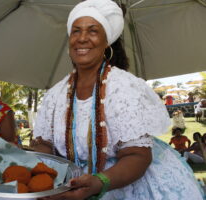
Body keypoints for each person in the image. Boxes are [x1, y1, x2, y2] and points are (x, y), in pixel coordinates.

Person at [31, 0, 204, 199]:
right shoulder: (55, 94)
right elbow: (44, 144)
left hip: (126, 186)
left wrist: (98, 182)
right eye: (76, 31)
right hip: (68, 188)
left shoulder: (125, 88)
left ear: (107, 42)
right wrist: (31, 161)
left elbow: (137, 155)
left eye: (93, 31)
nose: (82, 38)